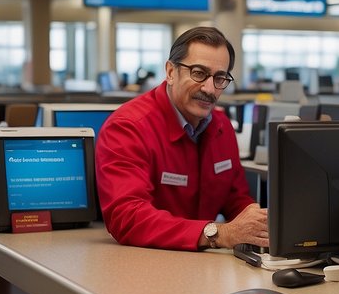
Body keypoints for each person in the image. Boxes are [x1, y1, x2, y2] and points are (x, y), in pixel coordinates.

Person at [96, 26, 269, 251]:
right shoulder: (128, 127)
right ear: (170, 72)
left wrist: (258, 224)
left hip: (204, 264)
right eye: (198, 73)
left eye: (220, 78)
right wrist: (219, 233)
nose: (209, 88)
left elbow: (235, 198)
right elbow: (127, 217)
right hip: (145, 265)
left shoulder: (221, 126)